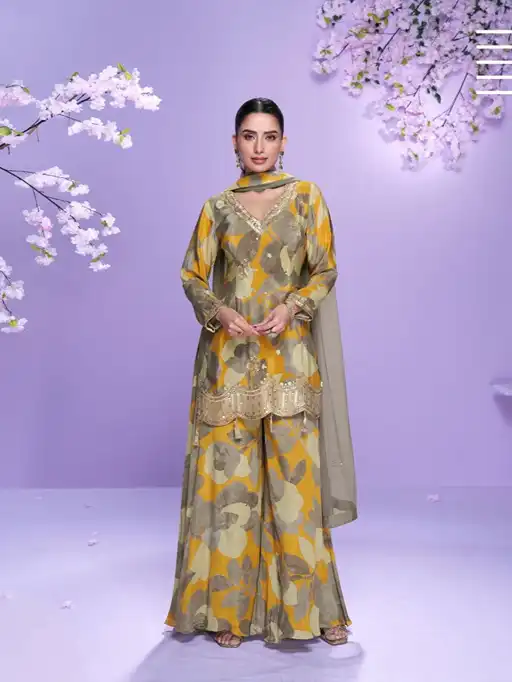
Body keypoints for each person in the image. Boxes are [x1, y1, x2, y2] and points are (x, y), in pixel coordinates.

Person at [165, 97, 357, 648]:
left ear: (283, 142)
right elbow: (192, 274)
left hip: (290, 357)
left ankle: (316, 611)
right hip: (228, 361)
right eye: (249, 136)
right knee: (232, 490)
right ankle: (231, 614)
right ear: (234, 143)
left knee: (296, 489)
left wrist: (293, 307)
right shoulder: (217, 207)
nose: (259, 147)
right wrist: (218, 311)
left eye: (269, 136)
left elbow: (325, 269)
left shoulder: (306, 197)